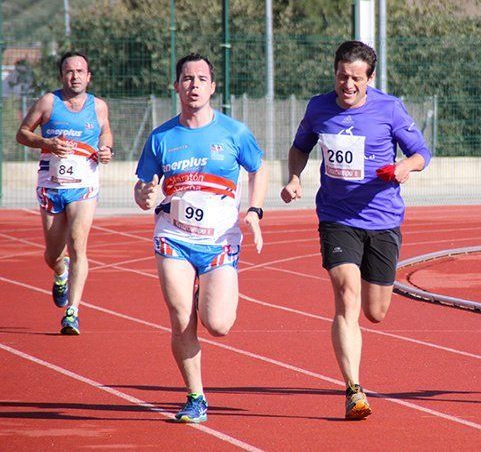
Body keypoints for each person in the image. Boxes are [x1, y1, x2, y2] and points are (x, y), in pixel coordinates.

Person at [280, 41, 431, 420]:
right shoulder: (318, 107)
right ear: (334, 72)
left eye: (356, 79)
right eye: (342, 76)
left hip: (383, 219)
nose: (348, 85)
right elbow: (300, 147)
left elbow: (422, 153)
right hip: (337, 218)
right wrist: (294, 178)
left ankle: (356, 377)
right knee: (346, 292)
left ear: (370, 79)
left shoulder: (389, 108)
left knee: (376, 312)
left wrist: (404, 168)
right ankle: (354, 390)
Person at [133, 53, 268, 423]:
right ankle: (196, 397)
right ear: (177, 86)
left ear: (213, 87)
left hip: (220, 240)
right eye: (187, 79)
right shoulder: (161, 137)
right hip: (173, 238)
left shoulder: (234, 133)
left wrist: (254, 211)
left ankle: (202, 291)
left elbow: (259, 170)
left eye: (201, 79)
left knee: (219, 324)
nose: (194, 85)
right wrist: (143, 195)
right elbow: (144, 187)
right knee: (180, 319)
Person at [16, 51, 113, 335]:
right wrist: (46, 141)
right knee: (53, 254)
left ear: (88, 76)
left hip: (84, 185)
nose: (75, 76)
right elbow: (22, 133)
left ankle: (73, 312)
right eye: (70, 71)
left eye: (80, 71)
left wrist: (106, 149)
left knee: (78, 243)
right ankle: (60, 272)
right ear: (62, 76)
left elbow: (106, 132)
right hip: (52, 184)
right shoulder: (49, 102)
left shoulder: (98, 106)